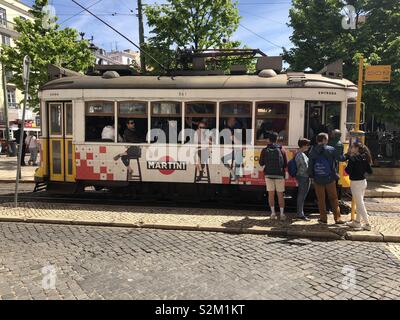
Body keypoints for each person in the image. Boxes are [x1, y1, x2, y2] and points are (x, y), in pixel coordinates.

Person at [308, 132, 345, 224]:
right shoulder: (331, 149)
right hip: (329, 178)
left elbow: (310, 165)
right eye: (327, 139)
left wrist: (311, 175)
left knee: (321, 199)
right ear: (324, 140)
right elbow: (340, 158)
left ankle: (323, 218)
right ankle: (337, 218)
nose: (328, 141)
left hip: (317, 178)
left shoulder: (312, 150)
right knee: (333, 198)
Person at [344, 142, 373, 231]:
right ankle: (357, 222)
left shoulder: (353, 159)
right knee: (359, 202)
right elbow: (370, 171)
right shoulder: (365, 157)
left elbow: (347, 171)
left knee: (360, 204)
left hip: (355, 183)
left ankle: (367, 224)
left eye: (352, 147)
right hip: (363, 182)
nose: (351, 148)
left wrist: (347, 164)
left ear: (356, 148)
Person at [259, 131, 288, 220]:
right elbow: (285, 164)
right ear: (277, 139)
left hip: (268, 175)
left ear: (268, 140)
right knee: (280, 195)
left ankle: (273, 213)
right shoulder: (282, 149)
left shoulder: (264, 150)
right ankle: (282, 214)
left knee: (271, 195)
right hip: (279, 175)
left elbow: (261, 163)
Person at [221, 117, 243, 182]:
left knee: (237, 160)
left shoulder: (233, 134)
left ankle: (236, 177)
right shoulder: (229, 133)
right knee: (223, 159)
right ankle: (232, 171)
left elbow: (240, 143)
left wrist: (233, 139)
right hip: (235, 152)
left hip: (239, 152)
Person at [295, 138, 311, 220]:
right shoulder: (300, 155)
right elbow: (305, 167)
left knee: (302, 195)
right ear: (303, 145)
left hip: (303, 176)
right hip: (303, 176)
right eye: (307, 145)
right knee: (302, 195)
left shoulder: (300, 154)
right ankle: (300, 214)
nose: (308, 147)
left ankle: (300, 212)